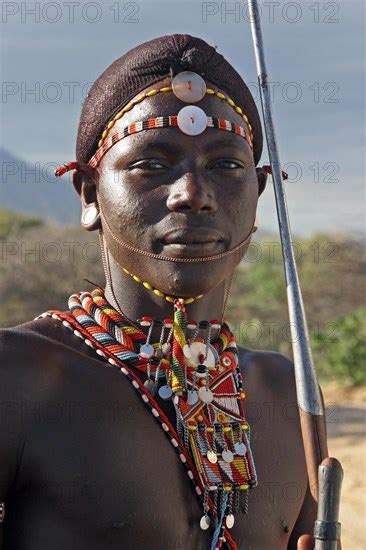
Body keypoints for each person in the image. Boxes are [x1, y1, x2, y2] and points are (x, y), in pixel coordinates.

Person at [0, 34, 318, 549]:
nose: (193, 194)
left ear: (258, 196)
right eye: (151, 163)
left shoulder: (287, 392)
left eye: (226, 165)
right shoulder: (18, 377)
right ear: (89, 193)